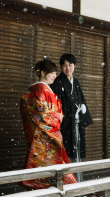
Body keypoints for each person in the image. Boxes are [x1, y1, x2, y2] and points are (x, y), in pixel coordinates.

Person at [19, 59, 77, 190]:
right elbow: (41, 114)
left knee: (51, 172)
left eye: (56, 73)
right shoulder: (39, 91)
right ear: (43, 73)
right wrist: (57, 116)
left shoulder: (45, 90)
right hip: (45, 137)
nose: (55, 76)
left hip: (49, 135)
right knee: (47, 172)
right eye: (52, 73)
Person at [51, 53, 93, 180]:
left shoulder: (76, 82)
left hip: (76, 124)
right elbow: (54, 106)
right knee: (66, 155)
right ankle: (69, 190)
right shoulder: (57, 83)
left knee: (77, 154)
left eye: (70, 65)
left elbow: (81, 102)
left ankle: (78, 189)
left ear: (75, 66)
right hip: (64, 126)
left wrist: (82, 110)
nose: (67, 68)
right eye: (64, 65)